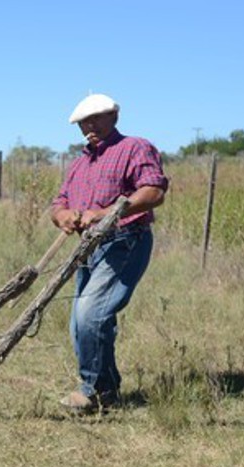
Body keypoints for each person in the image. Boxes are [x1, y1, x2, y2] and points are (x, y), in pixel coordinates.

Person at [50, 93, 168, 413]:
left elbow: (153, 191)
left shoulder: (134, 148)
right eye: (83, 123)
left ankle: (93, 392)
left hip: (125, 241)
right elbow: (59, 203)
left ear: (114, 116)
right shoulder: (79, 164)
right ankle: (107, 390)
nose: (90, 126)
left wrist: (105, 213)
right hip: (89, 248)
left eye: (97, 118)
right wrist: (64, 216)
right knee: (81, 323)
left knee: (91, 314)